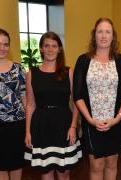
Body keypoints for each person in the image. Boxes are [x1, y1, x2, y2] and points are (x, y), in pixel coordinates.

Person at [73, 17, 121, 180]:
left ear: (113, 36)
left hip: (116, 123)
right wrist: (90, 120)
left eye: (108, 32)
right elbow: (77, 94)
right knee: (96, 165)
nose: (104, 35)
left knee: (112, 163)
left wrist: (116, 119)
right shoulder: (83, 60)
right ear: (94, 35)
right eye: (100, 31)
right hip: (92, 123)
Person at [24, 32, 82, 180]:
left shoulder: (68, 72)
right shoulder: (32, 73)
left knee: (64, 172)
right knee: (46, 171)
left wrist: (73, 126)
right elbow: (30, 105)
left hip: (64, 125)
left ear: (59, 49)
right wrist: (28, 132)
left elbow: (77, 102)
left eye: (54, 46)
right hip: (41, 126)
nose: (50, 49)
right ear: (41, 49)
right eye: (46, 46)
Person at [0, 28, 26, 180]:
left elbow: (25, 98)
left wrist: (29, 126)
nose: (2, 48)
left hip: (17, 126)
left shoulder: (18, 68)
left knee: (16, 165)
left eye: (5, 44)